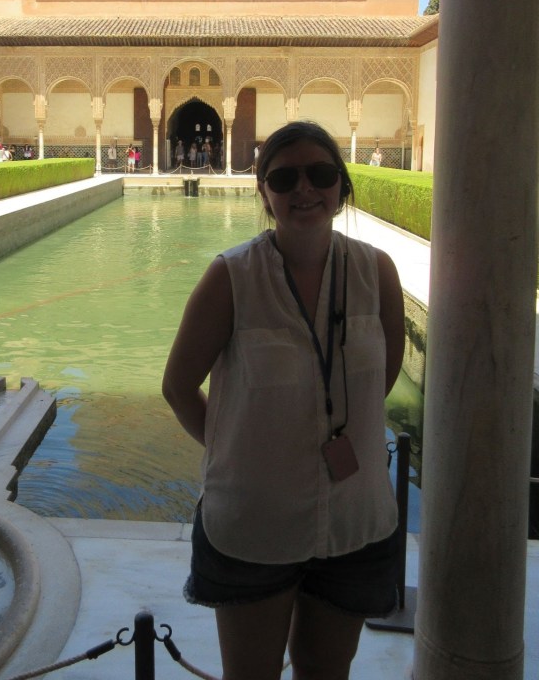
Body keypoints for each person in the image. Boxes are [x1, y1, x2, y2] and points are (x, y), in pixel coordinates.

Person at [162, 121, 405, 680]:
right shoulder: (231, 277)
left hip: (355, 523)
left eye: (321, 174)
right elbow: (178, 387)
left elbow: (380, 380)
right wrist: (234, 450)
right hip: (255, 523)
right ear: (264, 190)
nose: (305, 189)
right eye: (284, 176)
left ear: (341, 185)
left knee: (326, 672)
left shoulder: (377, 273)